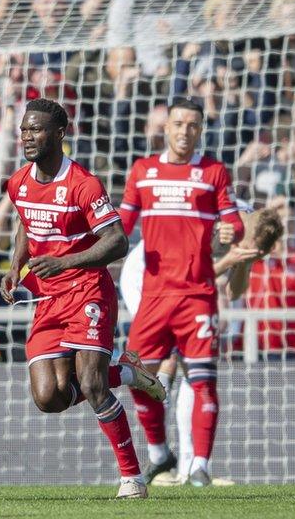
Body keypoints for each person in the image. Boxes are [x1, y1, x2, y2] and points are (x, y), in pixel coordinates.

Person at [0, 98, 163, 499]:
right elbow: (26, 222)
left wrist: (65, 262)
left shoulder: (83, 184)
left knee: (90, 383)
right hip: (48, 300)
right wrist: (14, 266)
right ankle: (124, 372)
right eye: (24, 130)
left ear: (59, 133)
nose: (28, 136)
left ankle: (132, 478)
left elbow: (118, 241)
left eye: (36, 129)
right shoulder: (18, 181)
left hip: (88, 291)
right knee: (49, 398)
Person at [119, 98, 245, 487]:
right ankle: (159, 454)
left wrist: (231, 232)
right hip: (153, 296)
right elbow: (122, 226)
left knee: (204, 380)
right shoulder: (143, 172)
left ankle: (201, 466)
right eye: (178, 124)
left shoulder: (213, 172)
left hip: (197, 294)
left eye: (193, 125)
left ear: (201, 129)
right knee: (136, 377)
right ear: (166, 127)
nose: (184, 131)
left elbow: (235, 224)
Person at [120, 205, 284, 485]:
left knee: (193, 365)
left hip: (182, 290)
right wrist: (230, 258)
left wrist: (242, 262)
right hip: (145, 278)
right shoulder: (213, 221)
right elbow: (188, 277)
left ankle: (187, 466)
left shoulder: (250, 231)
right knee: (166, 360)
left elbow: (233, 291)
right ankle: (161, 455)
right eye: (248, 250)